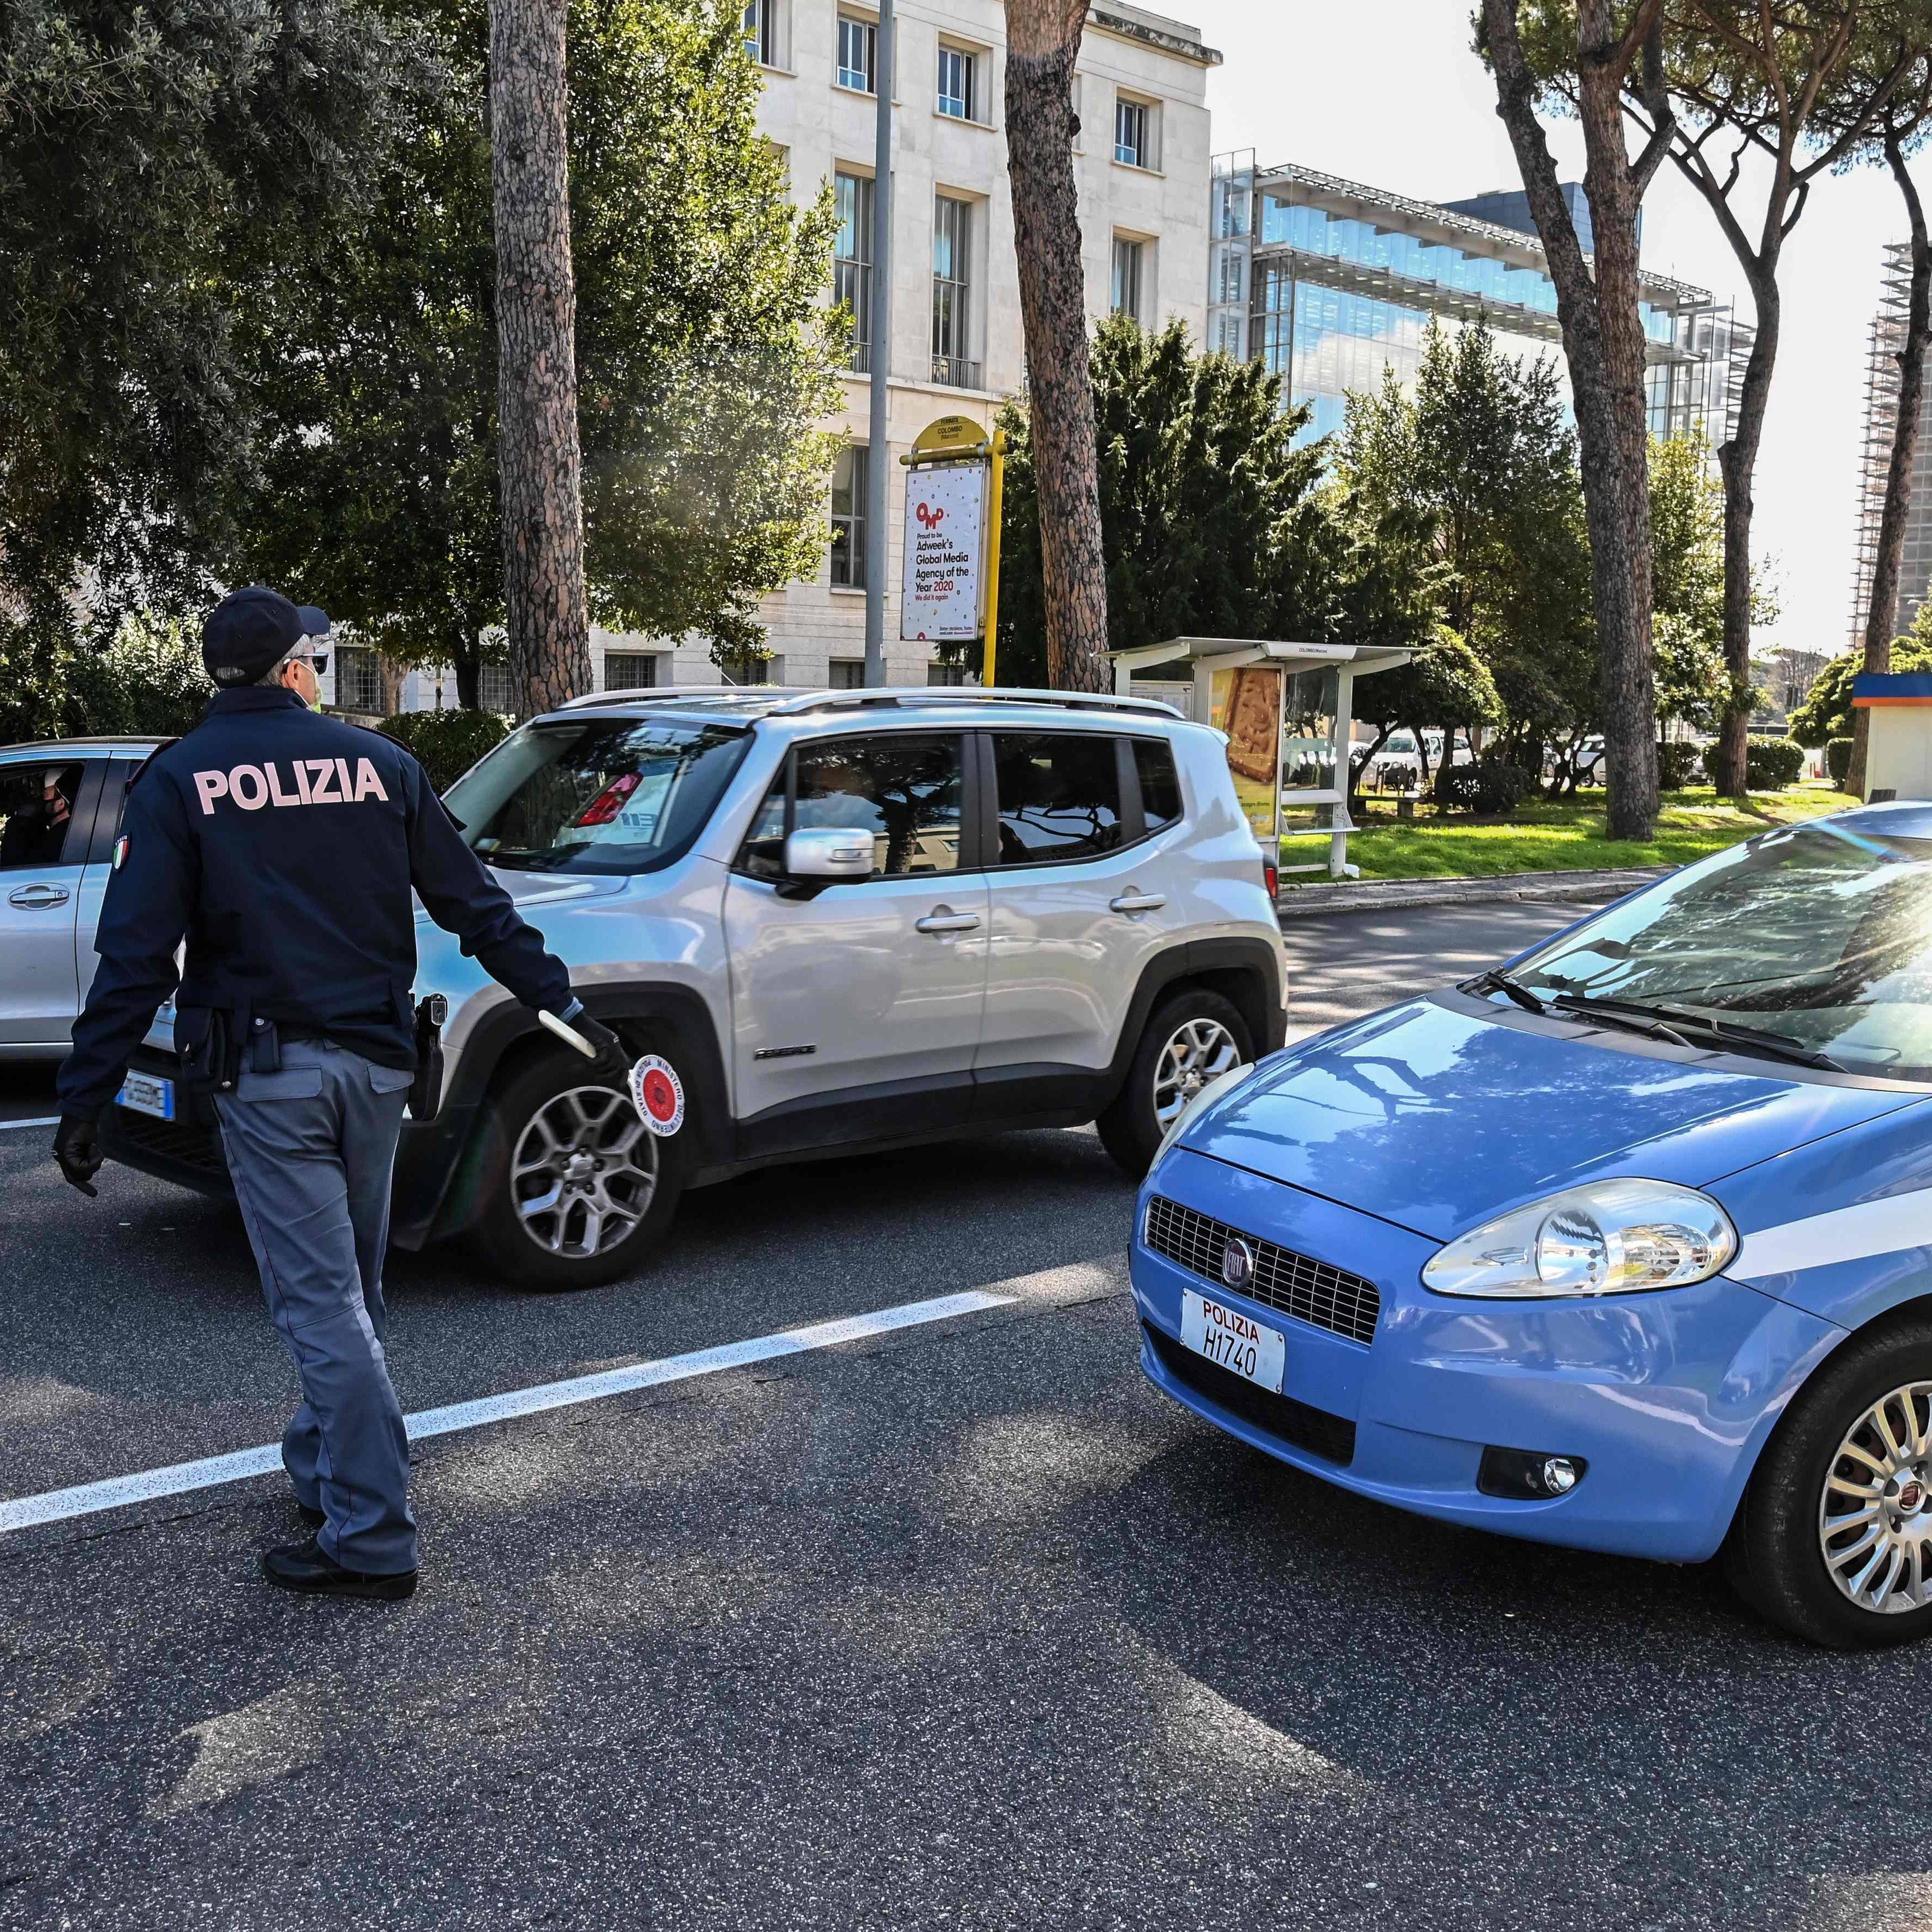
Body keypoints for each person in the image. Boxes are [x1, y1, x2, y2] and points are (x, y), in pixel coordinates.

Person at [51, 586, 630, 1602]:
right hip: (377, 1073)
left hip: (270, 1080)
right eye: (315, 657)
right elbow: (475, 908)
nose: (321, 670)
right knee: (348, 1296)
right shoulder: (381, 766)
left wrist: (87, 1099)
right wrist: (564, 1007)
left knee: (321, 1305)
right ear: (289, 671)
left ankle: (369, 1534)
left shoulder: (179, 780)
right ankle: (327, 1474)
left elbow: (135, 958)